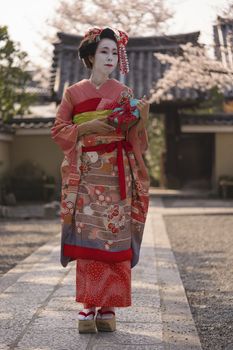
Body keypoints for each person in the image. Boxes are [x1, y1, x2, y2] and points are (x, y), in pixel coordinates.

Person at [51, 26, 150, 333]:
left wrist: (140, 119)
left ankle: (108, 307)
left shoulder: (124, 93)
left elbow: (137, 140)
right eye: (104, 52)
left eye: (113, 52)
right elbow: (58, 130)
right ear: (91, 57)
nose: (110, 57)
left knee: (114, 239)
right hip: (87, 175)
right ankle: (87, 305)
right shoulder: (73, 93)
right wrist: (87, 127)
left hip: (116, 172)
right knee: (90, 239)